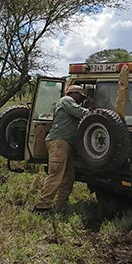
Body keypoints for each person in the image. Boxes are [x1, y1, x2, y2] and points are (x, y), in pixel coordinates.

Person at [34, 84, 93, 213]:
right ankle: (42, 206)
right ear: (73, 94)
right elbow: (80, 113)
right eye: (80, 96)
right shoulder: (66, 101)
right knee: (56, 175)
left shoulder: (69, 103)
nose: (80, 99)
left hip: (66, 145)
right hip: (59, 143)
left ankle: (62, 205)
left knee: (68, 177)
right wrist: (90, 109)